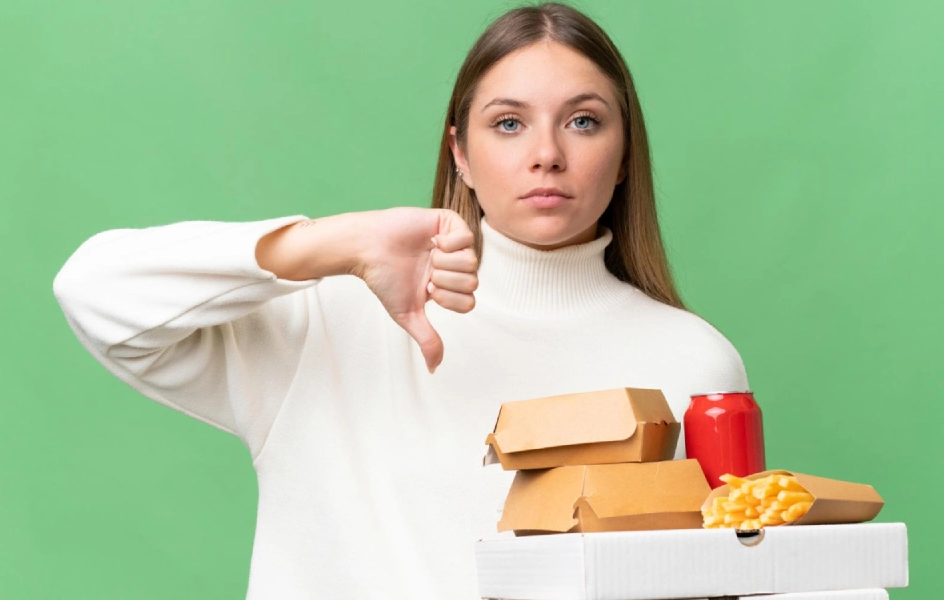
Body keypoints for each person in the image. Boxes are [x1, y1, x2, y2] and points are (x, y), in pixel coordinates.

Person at [53, 2, 749, 598]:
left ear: (625, 154)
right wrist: (334, 245)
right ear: (461, 156)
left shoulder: (695, 363)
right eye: (508, 123)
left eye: (584, 121)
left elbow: (722, 579)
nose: (546, 154)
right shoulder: (327, 319)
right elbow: (92, 290)